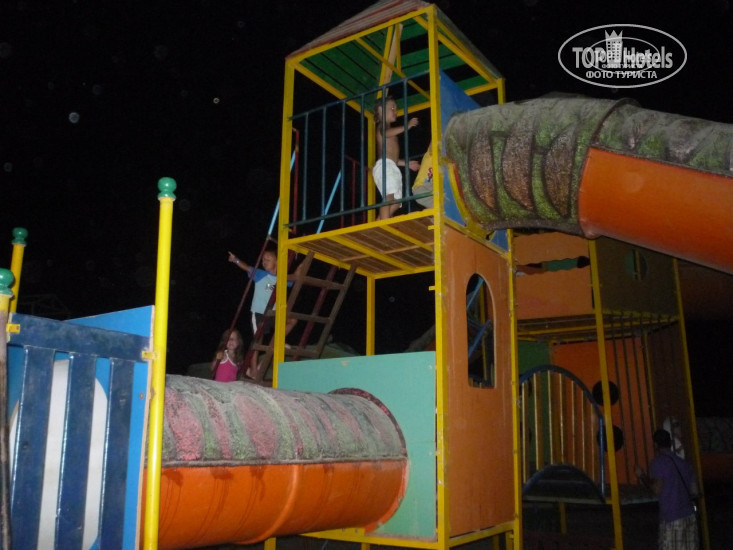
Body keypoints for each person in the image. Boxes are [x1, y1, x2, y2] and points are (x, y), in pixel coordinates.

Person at [228, 249, 298, 376]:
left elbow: (296, 277)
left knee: (292, 320)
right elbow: (247, 267)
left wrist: (304, 261)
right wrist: (235, 260)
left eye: (268, 259)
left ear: (277, 261)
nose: (264, 262)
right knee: (258, 340)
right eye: (263, 260)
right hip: (259, 313)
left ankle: (277, 342)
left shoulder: (282, 278)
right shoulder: (260, 274)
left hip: (273, 313)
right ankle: (253, 370)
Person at [635, 428, 699, 549]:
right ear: (670, 443)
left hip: (671, 517)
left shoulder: (659, 463)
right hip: (689, 516)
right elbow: (695, 491)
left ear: (655, 444)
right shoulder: (685, 464)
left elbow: (657, 489)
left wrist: (641, 475)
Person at [373, 96, 420, 220]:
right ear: (381, 110)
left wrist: (407, 164)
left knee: (397, 202)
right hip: (385, 166)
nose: (395, 111)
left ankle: (379, 222)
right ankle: (385, 223)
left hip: (391, 165)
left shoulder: (389, 129)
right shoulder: (382, 126)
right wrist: (406, 126)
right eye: (392, 108)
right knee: (389, 196)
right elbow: (385, 133)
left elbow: (393, 158)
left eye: (396, 109)